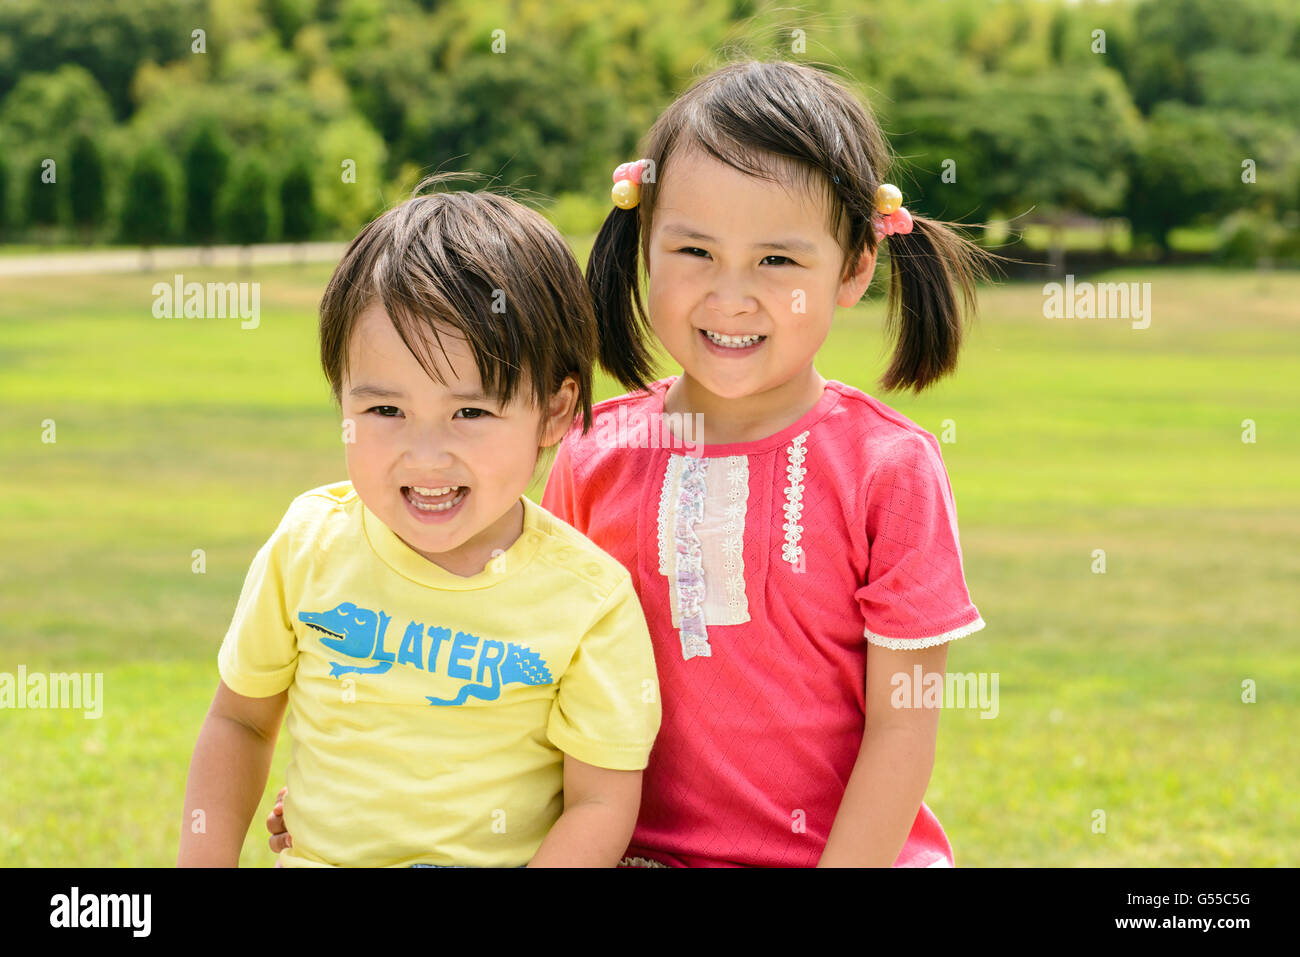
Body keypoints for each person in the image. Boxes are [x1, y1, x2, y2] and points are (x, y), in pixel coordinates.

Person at [549, 58, 995, 867]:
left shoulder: (888, 468)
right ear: (644, 242)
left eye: (777, 261)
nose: (730, 295)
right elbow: (535, 682)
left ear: (855, 268)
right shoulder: (590, 456)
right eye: (694, 250)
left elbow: (903, 727)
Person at [179, 177, 661, 868]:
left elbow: (601, 801)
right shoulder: (310, 541)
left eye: (470, 413)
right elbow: (240, 719)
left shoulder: (590, 600)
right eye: (384, 411)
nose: (425, 456)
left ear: (555, 412)